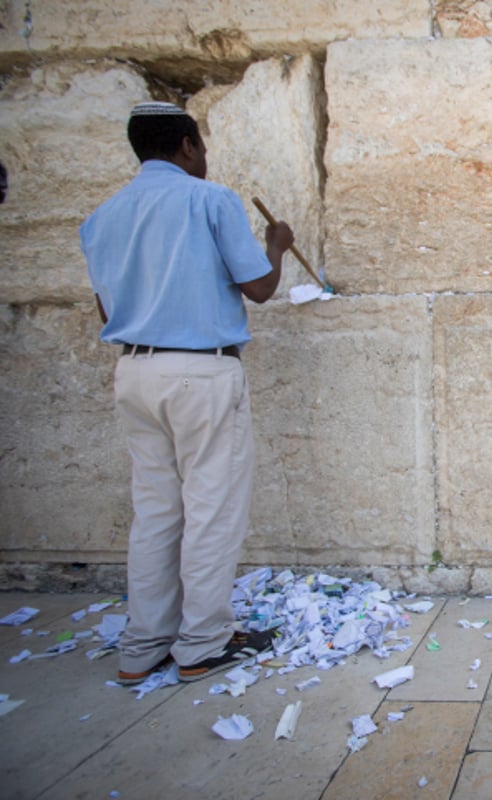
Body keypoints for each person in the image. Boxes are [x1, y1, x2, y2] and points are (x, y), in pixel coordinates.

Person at [80, 101, 294, 684]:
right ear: (187, 146)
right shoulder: (211, 200)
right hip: (199, 372)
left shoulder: (101, 218)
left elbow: (109, 308)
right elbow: (259, 287)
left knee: (155, 512)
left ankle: (142, 646)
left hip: (134, 371)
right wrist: (276, 242)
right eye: (201, 146)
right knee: (211, 509)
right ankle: (202, 643)